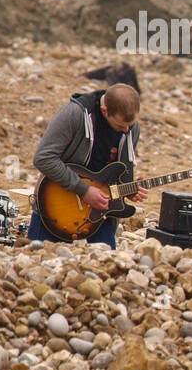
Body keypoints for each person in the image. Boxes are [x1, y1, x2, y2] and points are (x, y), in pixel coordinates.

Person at [30, 83, 144, 249]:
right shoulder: (74, 114)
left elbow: (119, 173)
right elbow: (43, 158)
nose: (127, 130)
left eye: (131, 125)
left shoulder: (131, 128)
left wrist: (129, 190)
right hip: (56, 209)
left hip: (100, 218)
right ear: (105, 110)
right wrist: (84, 190)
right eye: (120, 126)